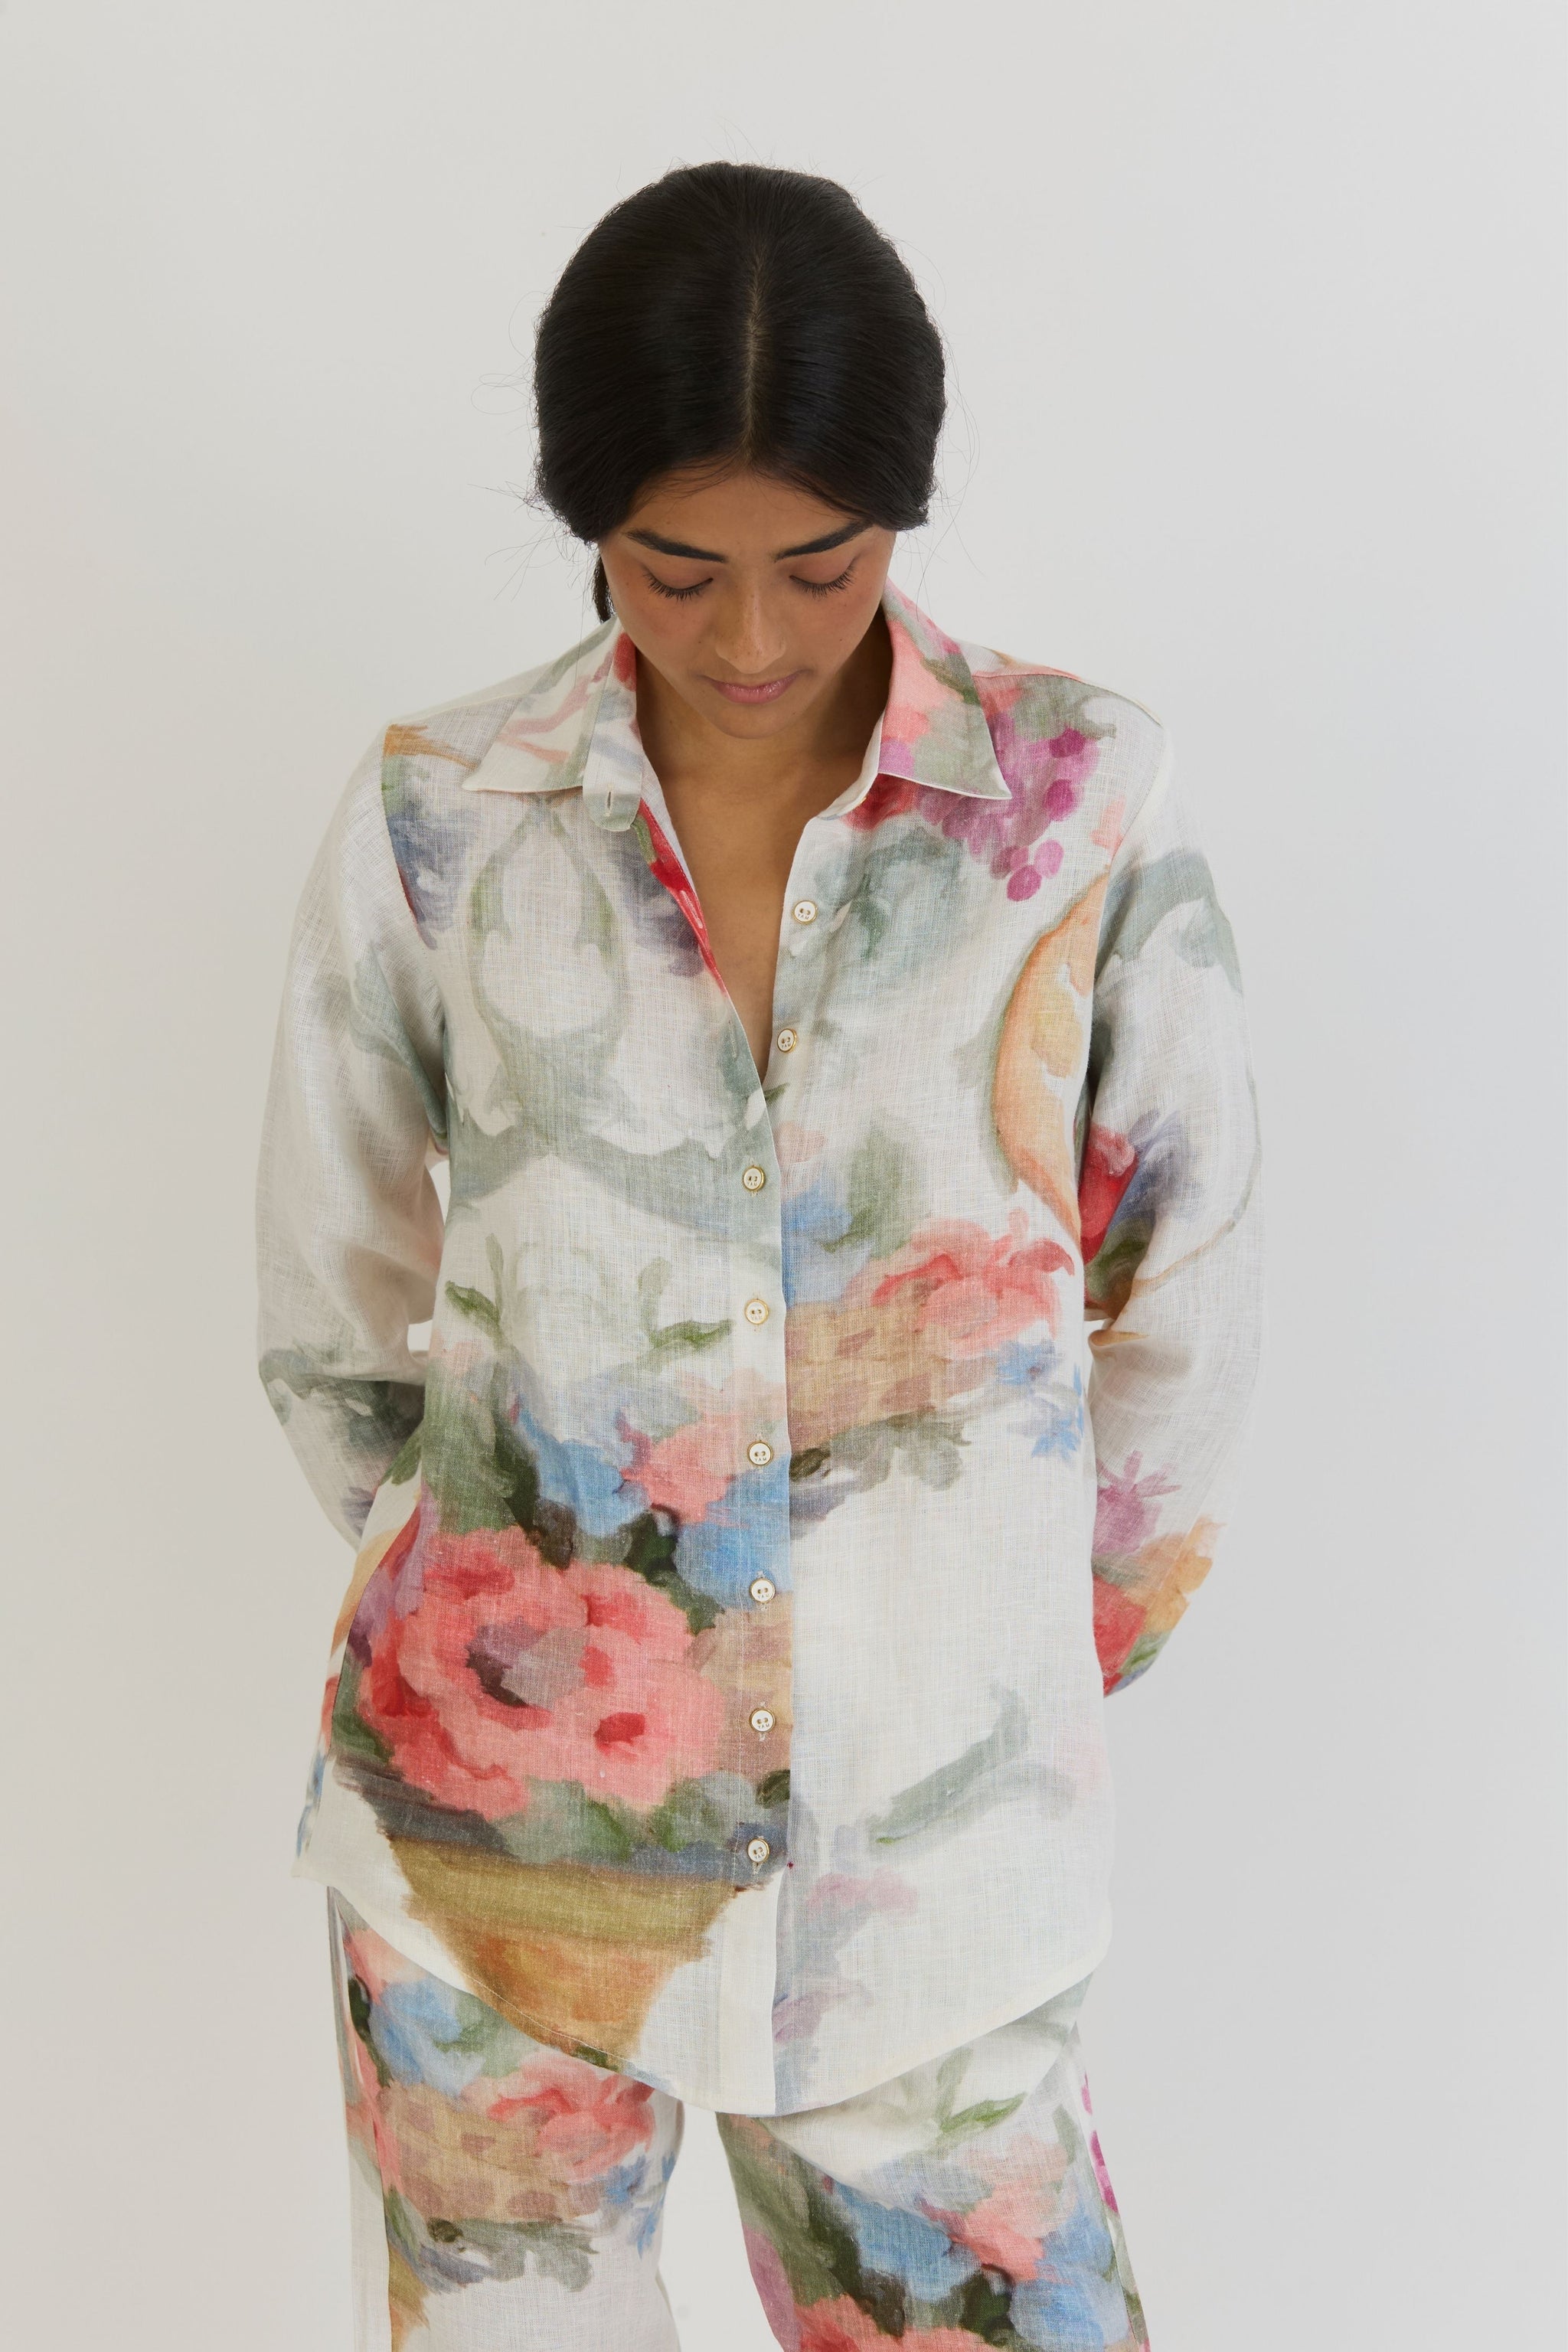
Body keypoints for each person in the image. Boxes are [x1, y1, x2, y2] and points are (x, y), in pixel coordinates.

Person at [256, 159, 1264, 2352]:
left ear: (900, 511)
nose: (746, 639)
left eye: (821, 565)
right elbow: (334, 1306)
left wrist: (1000, 1645)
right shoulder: (441, 817)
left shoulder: (1081, 806)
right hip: (490, 1880)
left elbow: (1180, 1289)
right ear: (585, 521)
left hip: (937, 1893)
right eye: (671, 568)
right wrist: (516, 1568)